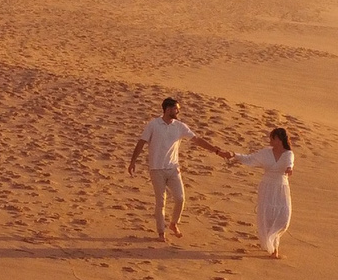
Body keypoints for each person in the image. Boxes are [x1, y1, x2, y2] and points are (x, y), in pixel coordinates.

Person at [126, 97, 226, 241]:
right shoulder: (153, 125)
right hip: (156, 169)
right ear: (167, 109)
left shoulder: (180, 126)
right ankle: (161, 232)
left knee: (180, 198)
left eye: (178, 108)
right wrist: (133, 161)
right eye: (175, 109)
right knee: (161, 201)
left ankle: (173, 224)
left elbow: (197, 140)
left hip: (173, 169)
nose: (177, 111)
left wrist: (216, 150)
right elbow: (141, 142)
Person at [229, 128, 296, 257]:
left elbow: (290, 163)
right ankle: (274, 248)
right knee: (267, 214)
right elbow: (249, 159)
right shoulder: (266, 152)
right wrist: (234, 155)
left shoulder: (288, 153)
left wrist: (289, 169)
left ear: (280, 139)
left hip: (281, 187)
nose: (270, 140)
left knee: (283, 216)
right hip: (267, 186)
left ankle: (273, 240)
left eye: (273, 138)